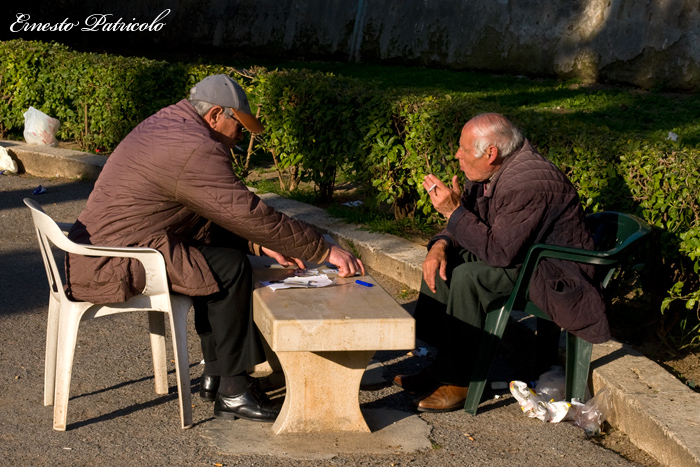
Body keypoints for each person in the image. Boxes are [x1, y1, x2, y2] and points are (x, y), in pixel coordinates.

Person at [64, 74, 365, 423]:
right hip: (113, 261)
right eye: (238, 124)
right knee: (229, 268)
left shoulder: (172, 123)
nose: (240, 135)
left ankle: (217, 374)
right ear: (215, 114)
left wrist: (261, 244)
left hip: (113, 247)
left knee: (218, 258)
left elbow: (213, 213)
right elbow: (247, 212)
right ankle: (234, 391)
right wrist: (324, 250)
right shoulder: (194, 147)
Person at [393, 113, 608, 412]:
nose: (457, 155)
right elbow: (470, 222)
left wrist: (452, 213)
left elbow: (498, 253)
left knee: (469, 276)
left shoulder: (527, 183)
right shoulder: (488, 173)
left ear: (491, 153)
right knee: (445, 261)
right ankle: (443, 364)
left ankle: (462, 379)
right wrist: (439, 245)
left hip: (552, 271)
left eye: (464, 149)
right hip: (521, 254)